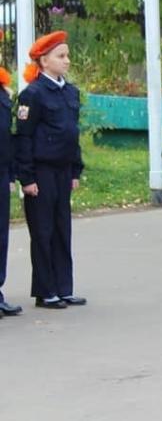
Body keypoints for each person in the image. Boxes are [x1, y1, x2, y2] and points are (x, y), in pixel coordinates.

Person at [15, 31, 88, 307]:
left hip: (62, 169)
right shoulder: (32, 94)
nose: (67, 61)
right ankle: (46, 291)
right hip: (41, 172)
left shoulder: (69, 92)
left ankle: (63, 286)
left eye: (67, 55)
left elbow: (72, 133)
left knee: (62, 229)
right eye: (61, 56)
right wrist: (27, 177)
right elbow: (24, 137)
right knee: (43, 231)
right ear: (44, 61)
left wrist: (74, 170)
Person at [0, 66, 22, 318]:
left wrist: (11, 173)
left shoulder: (3, 92)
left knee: (1, 235)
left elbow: (9, 137)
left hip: (1, 171)